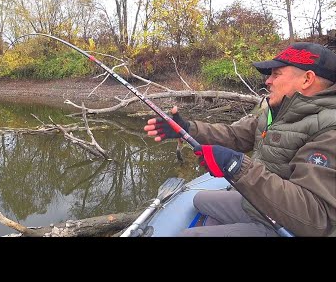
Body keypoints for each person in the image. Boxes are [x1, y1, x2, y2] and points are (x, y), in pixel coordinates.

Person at [144, 42, 336, 237]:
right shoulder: (278, 113)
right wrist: (187, 129)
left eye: (276, 75)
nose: (267, 81)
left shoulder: (330, 129)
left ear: (307, 79)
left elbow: (316, 218)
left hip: (288, 225)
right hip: (260, 205)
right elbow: (234, 135)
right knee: (199, 199)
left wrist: (237, 166)